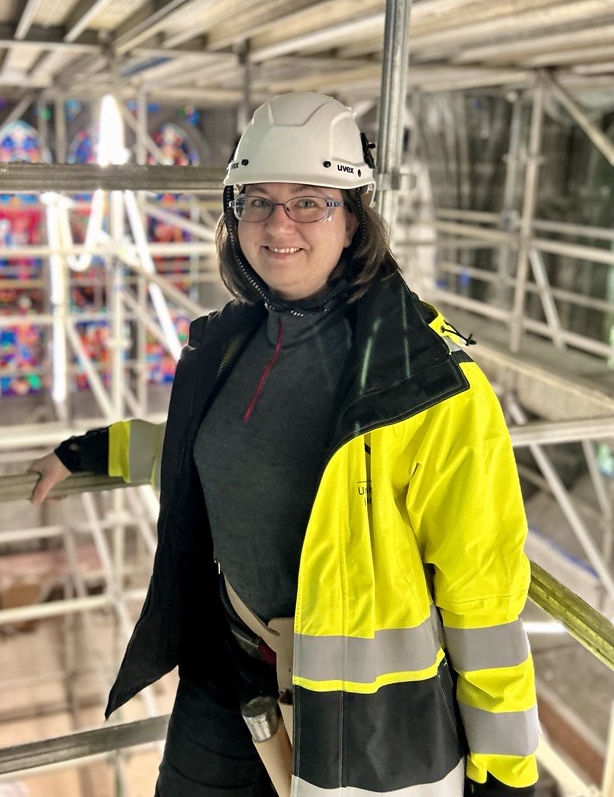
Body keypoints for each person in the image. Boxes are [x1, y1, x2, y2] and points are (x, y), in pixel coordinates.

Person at [30, 92, 539, 797]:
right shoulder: (237, 341)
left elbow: (483, 595)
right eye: (258, 201)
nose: (279, 226)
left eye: (310, 202)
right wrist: (92, 451)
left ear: (355, 219)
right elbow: (216, 455)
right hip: (229, 672)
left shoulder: (425, 384)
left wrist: (506, 773)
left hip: (361, 715)